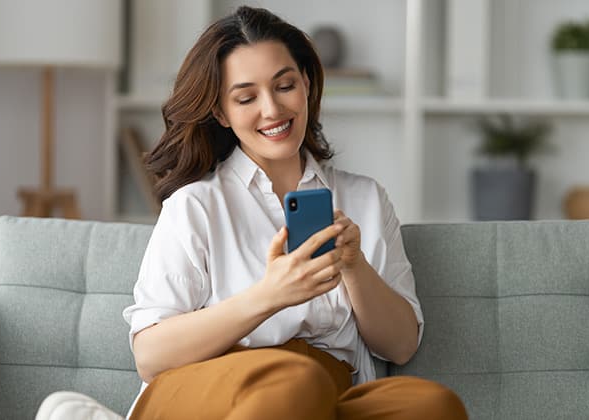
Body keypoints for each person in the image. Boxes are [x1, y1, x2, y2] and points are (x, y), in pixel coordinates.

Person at [122, 6, 468, 420]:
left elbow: (400, 346)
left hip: (326, 393)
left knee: (432, 406)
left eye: (284, 85)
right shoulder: (195, 206)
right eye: (247, 97)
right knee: (296, 381)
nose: (271, 110)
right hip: (215, 390)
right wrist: (267, 297)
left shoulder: (366, 200)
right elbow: (150, 354)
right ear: (221, 113)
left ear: (306, 83)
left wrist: (354, 267)